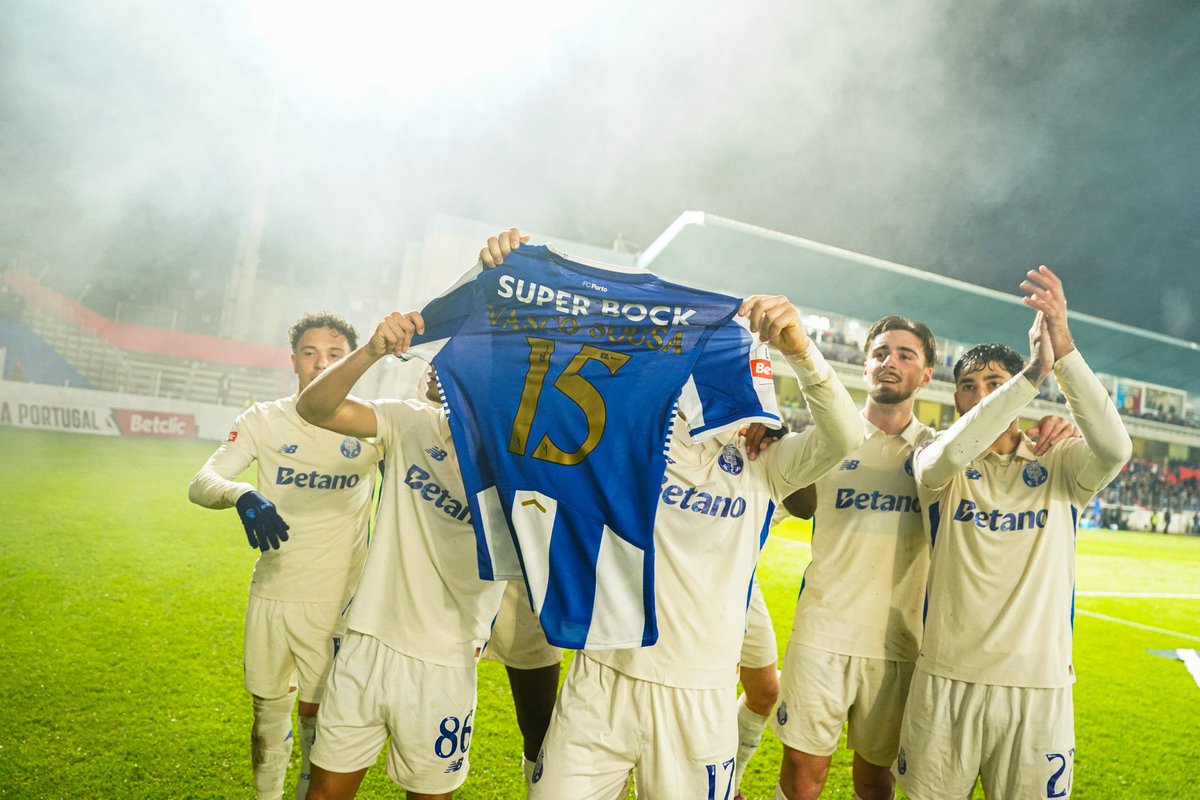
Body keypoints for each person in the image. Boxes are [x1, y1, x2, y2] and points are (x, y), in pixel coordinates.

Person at [477, 234, 865, 800]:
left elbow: (845, 437)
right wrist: (507, 279)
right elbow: (527, 380)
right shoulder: (629, 434)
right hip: (600, 681)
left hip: (699, 697)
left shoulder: (767, 461)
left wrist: (802, 351)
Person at [765, 315, 1080, 800]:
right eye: (881, 352)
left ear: (928, 374)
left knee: (876, 780)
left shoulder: (943, 453)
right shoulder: (829, 441)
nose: (890, 362)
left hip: (903, 644)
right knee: (804, 776)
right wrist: (766, 442)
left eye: (906, 355)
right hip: (823, 634)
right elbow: (777, 508)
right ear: (865, 366)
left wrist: (1054, 424)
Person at [897, 266, 1131, 799]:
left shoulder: (1063, 461)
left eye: (993, 386)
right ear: (956, 402)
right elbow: (955, 450)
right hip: (945, 679)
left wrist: (1063, 350)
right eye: (969, 388)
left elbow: (1116, 450)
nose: (980, 397)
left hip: (1039, 686)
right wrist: (1028, 377)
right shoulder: (936, 460)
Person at [295, 324, 508, 800]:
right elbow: (314, 408)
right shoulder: (411, 422)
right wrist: (371, 351)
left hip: (445, 659)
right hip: (367, 643)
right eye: (437, 358)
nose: (435, 368)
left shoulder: (515, 460)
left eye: (453, 360)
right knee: (324, 791)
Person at [188, 313, 381, 800]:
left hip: (337, 599)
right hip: (273, 589)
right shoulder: (263, 419)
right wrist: (241, 494)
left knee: (321, 721)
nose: (321, 364)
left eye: (335, 355)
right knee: (267, 714)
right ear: (293, 359)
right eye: (311, 353)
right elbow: (202, 482)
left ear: (354, 361)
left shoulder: (374, 426)